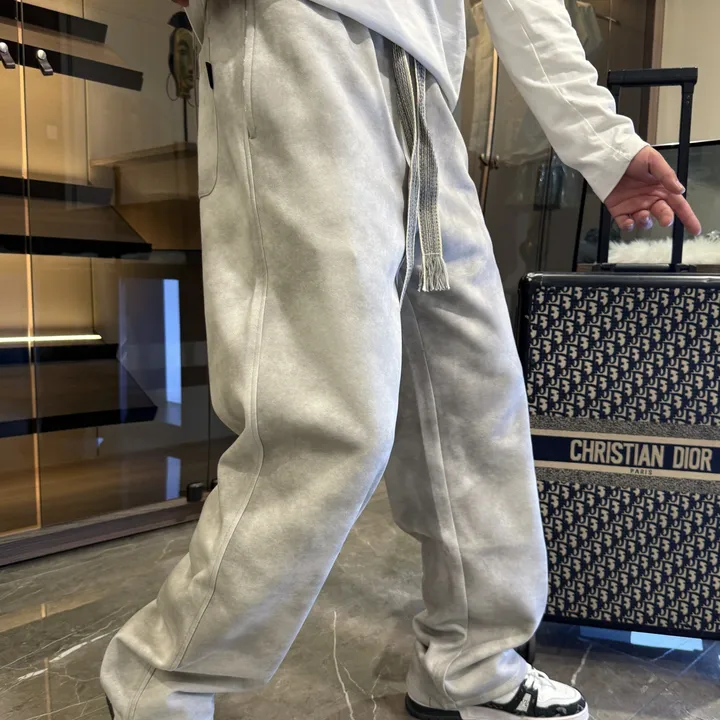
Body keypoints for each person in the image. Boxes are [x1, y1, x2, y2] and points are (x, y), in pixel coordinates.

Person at [100, 1, 701, 719]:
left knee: (476, 403)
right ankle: (162, 677)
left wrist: (601, 142)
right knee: (329, 418)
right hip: (304, 36)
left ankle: (469, 664)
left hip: (426, 87)